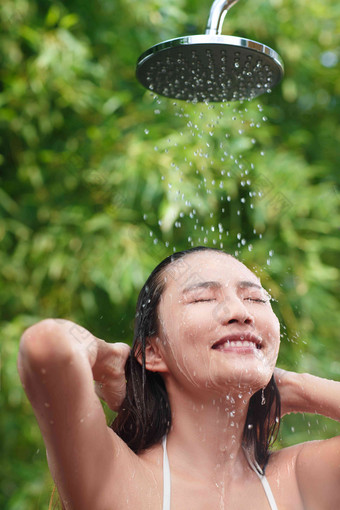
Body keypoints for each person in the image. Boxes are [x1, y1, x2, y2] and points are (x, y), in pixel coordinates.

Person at [18, 246, 340, 510]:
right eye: (203, 298)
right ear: (154, 352)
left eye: (256, 299)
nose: (241, 312)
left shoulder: (301, 478)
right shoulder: (122, 480)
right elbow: (46, 343)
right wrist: (108, 361)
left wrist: (295, 387)